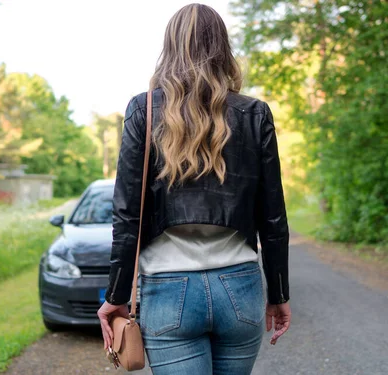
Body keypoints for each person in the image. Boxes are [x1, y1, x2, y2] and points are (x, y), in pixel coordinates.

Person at [98, 3, 291, 374]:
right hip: (240, 287)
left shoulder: (144, 110)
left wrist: (117, 295)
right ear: (223, 49)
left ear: (169, 48)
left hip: (169, 293)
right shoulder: (255, 114)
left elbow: (126, 215)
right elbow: (273, 216)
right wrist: (280, 293)